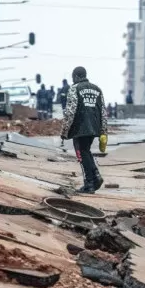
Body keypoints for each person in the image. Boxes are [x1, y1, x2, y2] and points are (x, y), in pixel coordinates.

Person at [60, 66, 108, 194]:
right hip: (94, 126)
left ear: (76, 76)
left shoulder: (74, 89)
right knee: (86, 151)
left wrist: (64, 132)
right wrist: (103, 130)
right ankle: (95, 177)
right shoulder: (97, 89)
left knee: (82, 154)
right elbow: (102, 111)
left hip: (80, 127)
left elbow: (70, 112)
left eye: (73, 78)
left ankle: (90, 183)